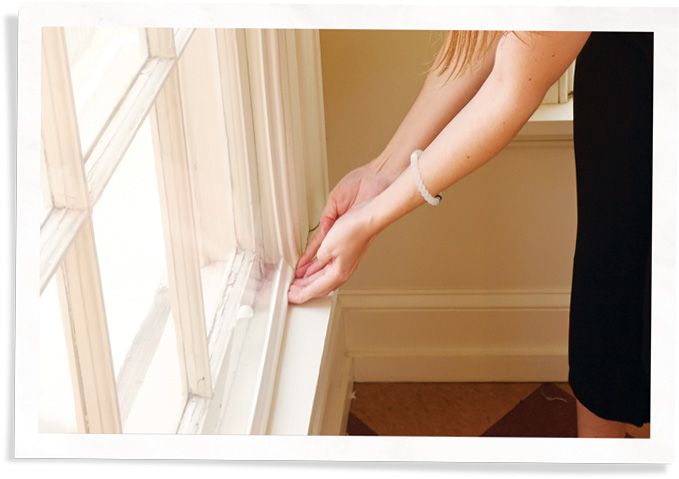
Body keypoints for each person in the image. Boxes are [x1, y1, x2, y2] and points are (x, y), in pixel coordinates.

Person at [288, 31, 652, 438]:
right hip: (621, 86)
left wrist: (374, 217)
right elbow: (488, 32)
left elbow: (511, 84)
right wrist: (381, 172)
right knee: (607, 310)